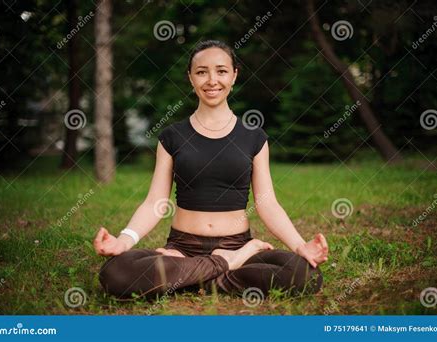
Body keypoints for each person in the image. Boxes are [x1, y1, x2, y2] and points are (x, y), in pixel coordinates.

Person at [94, 40, 328, 300]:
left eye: (221, 71)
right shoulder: (172, 136)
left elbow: (267, 203)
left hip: (235, 243)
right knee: (115, 273)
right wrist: (123, 241)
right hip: (183, 247)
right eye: (202, 72)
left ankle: (189, 277)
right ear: (191, 78)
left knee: (304, 275)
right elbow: (155, 202)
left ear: (234, 75)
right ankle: (226, 266)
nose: (212, 80)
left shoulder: (254, 137)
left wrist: (299, 245)